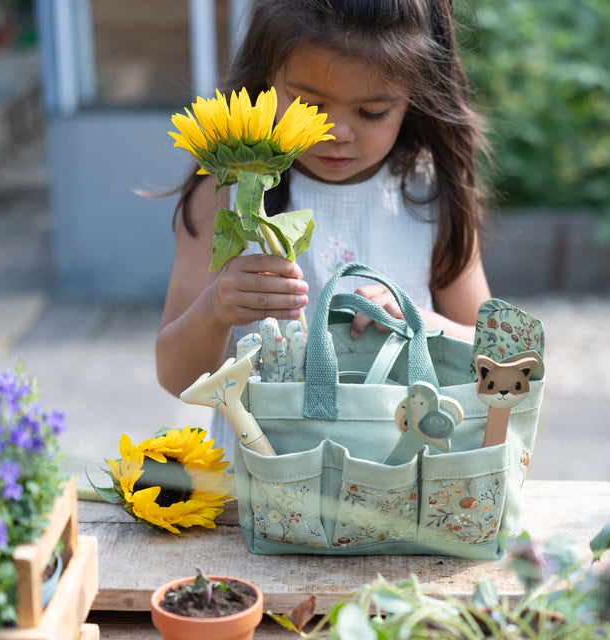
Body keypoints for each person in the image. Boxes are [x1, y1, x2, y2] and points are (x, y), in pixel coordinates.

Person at [156, 0, 492, 454]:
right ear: (266, 81)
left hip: (400, 481)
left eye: (372, 111)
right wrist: (216, 309)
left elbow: (497, 355)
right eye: (309, 105)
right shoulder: (224, 192)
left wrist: (421, 322)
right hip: (261, 480)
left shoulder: (427, 194)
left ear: (415, 97)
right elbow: (177, 378)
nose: (336, 131)